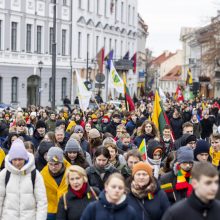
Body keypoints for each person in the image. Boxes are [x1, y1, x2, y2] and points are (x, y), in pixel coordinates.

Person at [0, 139, 47, 219]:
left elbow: (41, 202)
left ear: (25, 159)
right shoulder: (4, 174)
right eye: (15, 159)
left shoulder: (35, 175)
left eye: (20, 159)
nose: (17, 163)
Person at [41, 147, 71, 220]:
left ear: (62, 162)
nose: (53, 167)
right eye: (50, 164)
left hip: (67, 208)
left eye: (56, 164)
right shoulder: (42, 175)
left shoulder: (71, 172)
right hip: (50, 211)